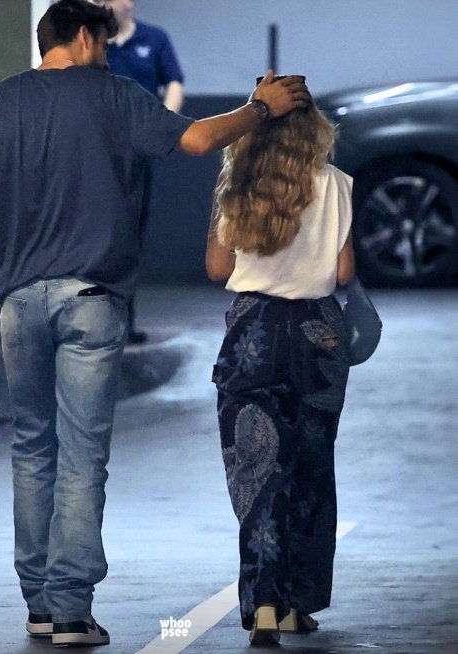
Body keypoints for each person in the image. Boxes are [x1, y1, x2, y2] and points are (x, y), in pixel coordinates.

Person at [0, 0, 310, 647]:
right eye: (102, 43)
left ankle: (39, 604)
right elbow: (195, 139)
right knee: (81, 455)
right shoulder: (113, 95)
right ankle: (71, 608)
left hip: (18, 301)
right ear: (81, 37)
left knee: (31, 447)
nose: (107, 53)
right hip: (92, 300)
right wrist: (262, 107)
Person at [206, 83, 354, 646]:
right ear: (314, 127)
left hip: (254, 334)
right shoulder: (338, 185)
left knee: (258, 472)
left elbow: (218, 267)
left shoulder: (237, 186)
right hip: (320, 337)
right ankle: (298, 603)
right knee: (311, 472)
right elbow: (342, 275)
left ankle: (263, 604)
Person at [94, 0, 185, 342]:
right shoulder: (88, 39)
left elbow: (174, 82)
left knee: (127, 239)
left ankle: (122, 322)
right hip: (92, 152)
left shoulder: (154, 39)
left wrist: (162, 126)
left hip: (136, 156)